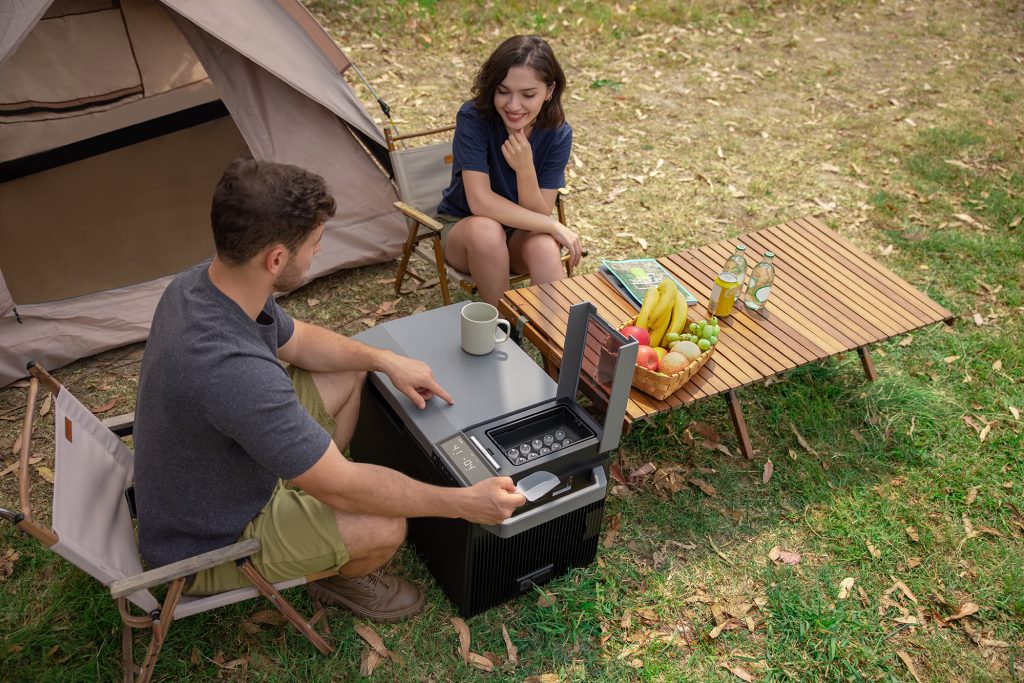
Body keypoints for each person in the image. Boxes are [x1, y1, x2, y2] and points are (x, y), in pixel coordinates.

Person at [133, 158, 526, 624]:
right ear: (276, 258)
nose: (317, 253)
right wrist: (463, 503)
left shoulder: (203, 283)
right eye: (315, 246)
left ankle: (307, 483)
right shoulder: (231, 371)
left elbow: (297, 340)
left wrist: (384, 359)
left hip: (224, 469)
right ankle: (336, 572)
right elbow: (346, 489)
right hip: (209, 541)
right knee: (383, 526)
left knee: (351, 366)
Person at [436, 34, 582, 308]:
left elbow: (538, 214)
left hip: (518, 234)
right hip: (465, 231)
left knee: (543, 245)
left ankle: (555, 340)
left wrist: (525, 168)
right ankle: (505, 329)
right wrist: (553, 225)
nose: (513, 106)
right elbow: (480, 202)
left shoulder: (558, 133)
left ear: (549, 91)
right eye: (503, 91)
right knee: (487, 230)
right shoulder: (474, 119)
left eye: (528, 94)